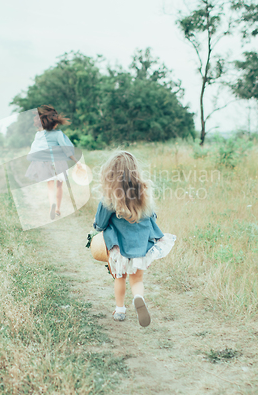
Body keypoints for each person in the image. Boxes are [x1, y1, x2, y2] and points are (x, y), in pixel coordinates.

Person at [93, 151, 176, 327]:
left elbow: (100, 224)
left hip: (119, 249)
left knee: (119, 277)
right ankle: (138, 298)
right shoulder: (143, 195)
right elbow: (152, 217)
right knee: (137, 279)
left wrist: (98, 228)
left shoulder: (108, 199)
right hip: (141, 247)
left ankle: (120, 310)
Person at [25, 105, 81, 219]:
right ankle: (58, 209)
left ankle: (52, 206)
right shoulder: (58, 134)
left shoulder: (39, 135)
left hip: (45, 164)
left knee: (50, 187)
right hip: (59, 163)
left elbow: (35, 150)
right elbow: (66, 148)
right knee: (59, 186)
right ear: (54, 123)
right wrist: (75, 161)